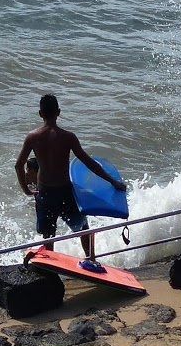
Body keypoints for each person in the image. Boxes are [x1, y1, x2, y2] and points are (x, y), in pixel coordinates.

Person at [16, 93, 125, 259]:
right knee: (83, 230)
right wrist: (112, 181)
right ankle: (91, 260)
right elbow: (89, 162)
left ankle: (50, 267)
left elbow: (18, 165)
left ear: (40, 113)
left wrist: (26, 191)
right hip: (65, 191)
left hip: (45, 193)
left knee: (49, 235)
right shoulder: (68, 137)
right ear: (58, 112)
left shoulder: (33, 137)